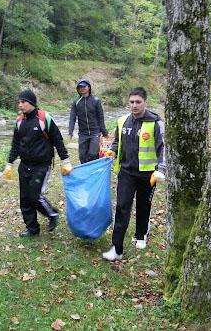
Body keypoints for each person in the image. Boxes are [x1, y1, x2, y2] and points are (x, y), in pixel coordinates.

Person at [102, 87, 166, 261]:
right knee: (122, 207)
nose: (134, 105)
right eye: (131, 102)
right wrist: (112, 151)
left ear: (146, 102)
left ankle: (141, 234)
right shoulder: (122, 121)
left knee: (143, 206)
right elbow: (116, 142)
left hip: (147, 175)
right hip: (126, 172)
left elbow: (163, 148)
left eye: (138, 102)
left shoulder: (156, 123)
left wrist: (160, 169)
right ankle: (117, 248)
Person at [3, 89, 73, 237]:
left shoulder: (44, 118)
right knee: (25, 198)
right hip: (24, 165)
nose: (20, 105)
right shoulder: (19, 122)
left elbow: (57, 140)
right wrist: (9, 163)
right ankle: (32, 229)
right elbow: (15, 144)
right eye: (19, 102)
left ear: (31, 103)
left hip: (42, 165)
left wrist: (65, 161)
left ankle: (52, 214)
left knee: (35, 196)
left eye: (23, 102)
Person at [68, 79, 108, 164]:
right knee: (82, 155)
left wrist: (104, 132)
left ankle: (94, 170)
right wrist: (70, 131)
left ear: (89, 87)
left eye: (84, 86)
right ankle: (86, 172)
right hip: (83, 133)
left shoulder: (96, 101)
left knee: (93, 153)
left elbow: (100, 117)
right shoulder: (76, 102)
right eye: (80, 87)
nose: (82, 88)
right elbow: (72, 117)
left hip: (95, 132)